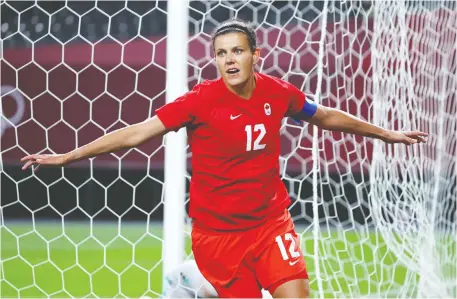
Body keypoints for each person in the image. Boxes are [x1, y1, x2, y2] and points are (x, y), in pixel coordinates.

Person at [21, 19, 428, 298]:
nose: (229, 60)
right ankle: (195, 279)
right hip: (218, 236)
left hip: (270, 224)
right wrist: (68, 156)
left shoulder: (277, 92)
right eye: (220, 53)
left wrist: (385, 133)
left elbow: (325, 116)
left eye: (237, 51)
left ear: (256, 55)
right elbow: (137, 133)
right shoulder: (200, 101)